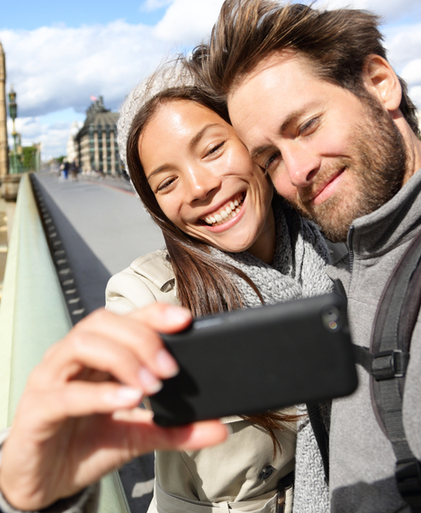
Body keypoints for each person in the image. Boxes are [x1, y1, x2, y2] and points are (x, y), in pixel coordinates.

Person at [192, 0, 421, 511]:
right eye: (270, 157)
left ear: (380, 84)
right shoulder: (340, 265)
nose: (296, 171)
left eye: (307, 126)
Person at [104, 60, 334, 513]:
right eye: (167, 181)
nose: (201, 187)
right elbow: (101, 400)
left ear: (251, 141)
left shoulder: (340, 245)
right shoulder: (149, 299)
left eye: (211, 150)